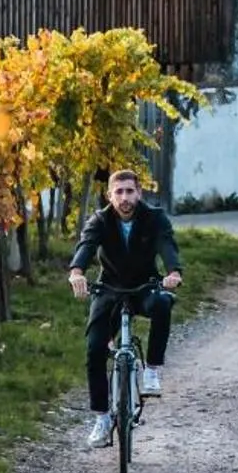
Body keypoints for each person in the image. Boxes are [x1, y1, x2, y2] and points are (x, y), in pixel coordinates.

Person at [68, 168, 182, 448]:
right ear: (110, 195)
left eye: (130, 191)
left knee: (163, 304)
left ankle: (152, 369)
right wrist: (77, 272)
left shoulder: (154, 218)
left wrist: (173, 273)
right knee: (94, 349)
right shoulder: (100, 220)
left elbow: (167, 246)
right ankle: (102, 419)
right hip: (110, 289)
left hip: (145, 286)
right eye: (118, 192)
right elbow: (86, 246)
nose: (125, 198)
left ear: (139, 193)